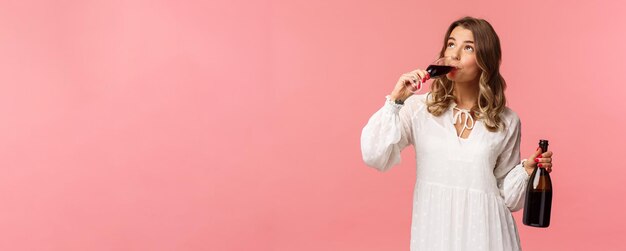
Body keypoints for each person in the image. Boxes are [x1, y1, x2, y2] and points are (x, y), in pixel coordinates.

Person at [360, 16, 554, 251]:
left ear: (485, 59)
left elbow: (509, 199)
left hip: (489, 237)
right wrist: (395, 101)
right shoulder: (419, 109)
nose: (454, 54)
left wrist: (527, 170)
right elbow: (374, 155)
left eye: (468, 47)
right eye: (451, 44)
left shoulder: (506, 121)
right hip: (435, 234)